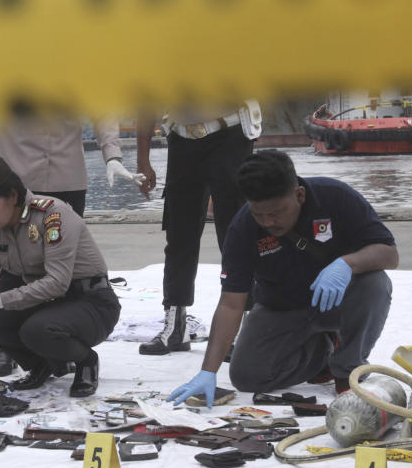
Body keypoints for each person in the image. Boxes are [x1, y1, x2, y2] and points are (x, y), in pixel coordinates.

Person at [168, 150, 399, 407]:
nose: (268, 222)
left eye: (276, 212)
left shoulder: (336, 197)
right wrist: (208, 371)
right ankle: (322, 354)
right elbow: (231, 303)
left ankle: (347, 368)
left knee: (375, 283)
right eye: (259, 214)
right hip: (281, 307)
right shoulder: (243, 228)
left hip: (337, 302)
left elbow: (389, 254)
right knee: (247, 376)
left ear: (299, 195)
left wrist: (347, 264)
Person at [0, 116, 142, 376]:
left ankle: (73, 350)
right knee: (2, 281)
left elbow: (102, 107)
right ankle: (27, 357)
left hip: (66, 175)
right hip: (16, 169)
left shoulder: (56, 214)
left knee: (52, 280)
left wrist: (112, 155)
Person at [0, 153, 121, 397]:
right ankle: (41, 365)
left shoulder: (52, 216)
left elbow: (57, 283)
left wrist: (0, 299)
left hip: (91, 303)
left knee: (37, 330)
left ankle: (86, 361)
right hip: (48, 305)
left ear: (13, 196)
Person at [135, 101, 262, 355]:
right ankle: (175, 326)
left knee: (235, 234)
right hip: (182, 139)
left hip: (229, 135)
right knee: (179, 234)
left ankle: (244, 324)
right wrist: (142, 160)